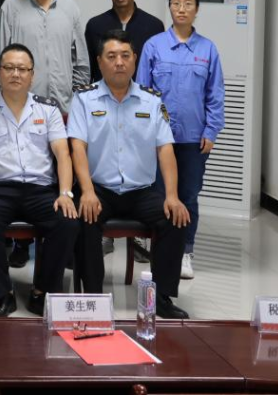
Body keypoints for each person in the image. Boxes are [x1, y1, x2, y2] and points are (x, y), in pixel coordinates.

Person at [69, 29, 190, 320]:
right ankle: (94, 297)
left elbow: (165, 150)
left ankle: (161, 297)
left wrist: (172, 196)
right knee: (85, 217)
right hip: (99, 188)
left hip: (141, 191)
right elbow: (77, 148)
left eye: (125, 56)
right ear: (100, 62)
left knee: (175, 217)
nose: (119, 62)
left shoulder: (151, 101)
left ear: (135, 59)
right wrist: (86, 191)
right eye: (111, 56)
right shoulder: (84, 99)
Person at [0, 43, 80, 317]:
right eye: (9, 68)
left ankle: (42, 291)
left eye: (22, 69)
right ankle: (2, 293)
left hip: (41, 189)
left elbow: (63, 154)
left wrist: (65, 193)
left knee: (67, 221)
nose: (15, 74)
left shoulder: (48, 110)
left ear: (32, 74)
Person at [136, 0, 224, 281]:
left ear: (197, 8)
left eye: (188, 3)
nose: (181, 9)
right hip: (158, 139)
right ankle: (160, 251)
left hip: (193, 139)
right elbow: (143, 93)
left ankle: (186, 252)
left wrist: (211, 131)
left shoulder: (207, 49)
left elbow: (215, 95)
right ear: (169, 7)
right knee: (158, 196)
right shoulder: (154, 46)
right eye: (176, 3)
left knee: (188, 196)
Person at [0, 0, 90, 113]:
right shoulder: (11, 7)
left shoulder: (69, 7)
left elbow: (81, 63)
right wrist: (3, 106)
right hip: (21, 108)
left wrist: (76, 101)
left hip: (63, 108)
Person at [85, 0, 165, 84]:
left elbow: (158, 70)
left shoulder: (154, 26)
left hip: (141, 94)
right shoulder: (95, 25)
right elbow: (88, 69)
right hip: (103, 94)